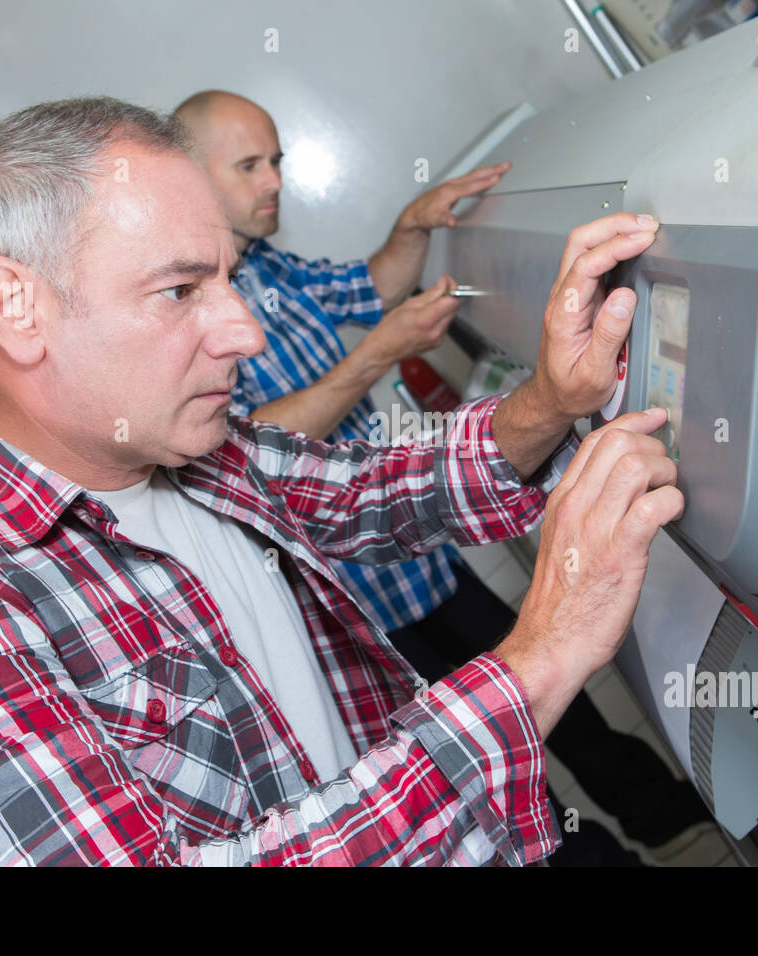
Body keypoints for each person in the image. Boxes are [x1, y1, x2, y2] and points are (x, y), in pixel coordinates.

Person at [0, 96, 680, 866]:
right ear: (19, 309)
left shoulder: (167, 439)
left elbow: (367, 490)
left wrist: (553, 399)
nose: (244, 335)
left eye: (225, 278)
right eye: (180, 290)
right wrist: (543, 654)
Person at [175, 90, 714, 862]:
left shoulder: (269, 263)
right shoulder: (196, 319)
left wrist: (413, 226)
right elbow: (253, 451)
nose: (275, 182)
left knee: (552, 698)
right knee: (472, 756)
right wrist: (377, 354)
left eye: (279, 161)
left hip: (415, 552)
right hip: (358, 607)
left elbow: (370, 287)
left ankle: (661, 817)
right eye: (251, 165)